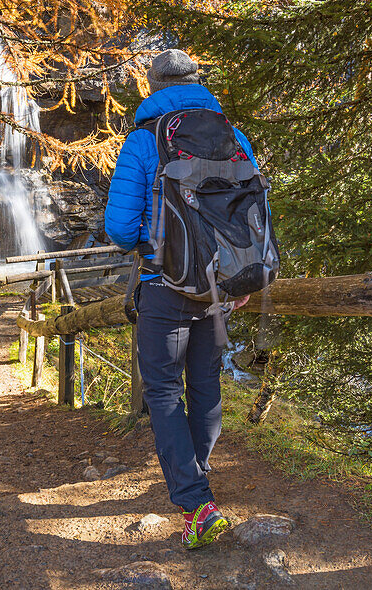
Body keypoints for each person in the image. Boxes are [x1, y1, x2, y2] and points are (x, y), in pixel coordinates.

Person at [104, 49, 258, 550]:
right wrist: (242, 279)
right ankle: (197, 475)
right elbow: (254, 215)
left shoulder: (145, 140)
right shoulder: (234, 136)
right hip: (219, 287)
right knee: (206, 382)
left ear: (154, 84)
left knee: (164, 392)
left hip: (165, 286)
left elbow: (121, 229)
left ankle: (196, 501)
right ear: (197, 82)